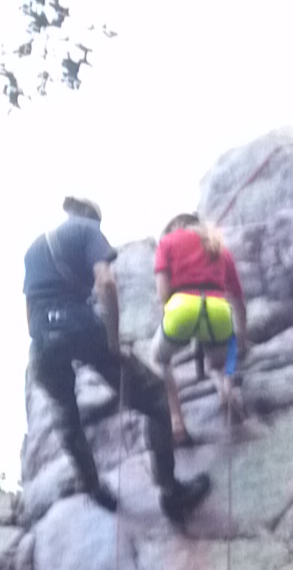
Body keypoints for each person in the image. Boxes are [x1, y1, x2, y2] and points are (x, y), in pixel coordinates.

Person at [23, 196, 210, 524]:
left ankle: (94, 487)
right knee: (154, 398)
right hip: (81, 328)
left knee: (66, 418)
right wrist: (111, 339)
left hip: (42, 341)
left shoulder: (35, 249)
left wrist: (46, 338)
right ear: (92, 217)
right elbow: (106, 282)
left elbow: (30, 309)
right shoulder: (87, 231)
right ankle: (170, 492)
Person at [153, 212, 249, 445]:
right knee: (219, 363)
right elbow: (238, 299)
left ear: (176, 225)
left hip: (182, 308)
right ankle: (226, 391)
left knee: (160, 359)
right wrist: (241, 338)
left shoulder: (167, 242)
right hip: (218, 310)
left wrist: (173, 315)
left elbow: (163, 292)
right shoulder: (220, 248)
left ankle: (177, 422)